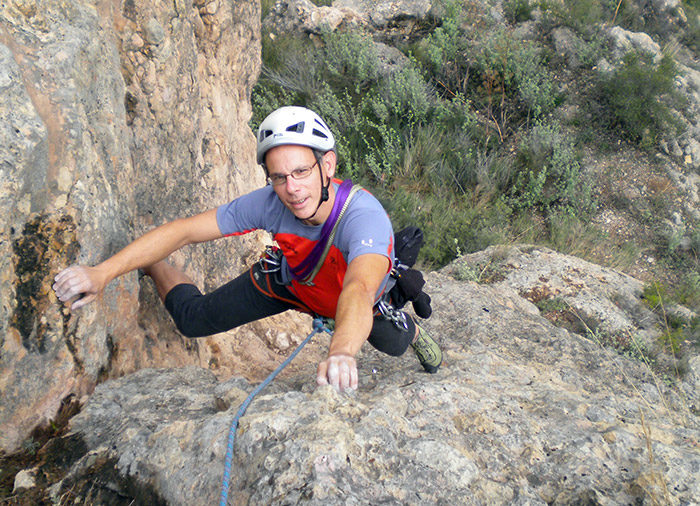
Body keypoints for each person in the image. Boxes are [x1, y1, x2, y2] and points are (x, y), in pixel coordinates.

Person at [53, 106, 442, 392]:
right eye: (279, 177)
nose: (292, 189)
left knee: (393, 345)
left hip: (350, 299)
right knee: (192, 320)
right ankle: (153, 265)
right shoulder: (271, 202)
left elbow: (358, 288)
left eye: (301, 171)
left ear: (327, 165)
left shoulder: (363, 218)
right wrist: (101, 273)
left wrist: (341, 351)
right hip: (290, 282)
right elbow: (185, 231)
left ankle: (411, 332)